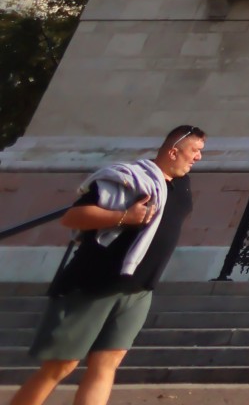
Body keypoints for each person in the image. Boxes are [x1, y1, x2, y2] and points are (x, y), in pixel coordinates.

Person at [11, 125, 205, 405]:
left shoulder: (181, 185)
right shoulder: (128, 179)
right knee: (60, 366)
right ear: (174, 151)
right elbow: (73, 217)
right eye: (195, 151)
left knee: (106, 364)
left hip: (138, 290)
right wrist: (125, 216)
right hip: (94, 283)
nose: (198, 157)